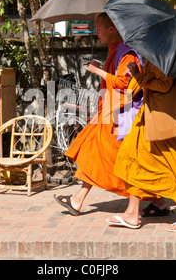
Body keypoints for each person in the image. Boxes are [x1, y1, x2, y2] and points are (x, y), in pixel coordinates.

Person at [53, 13, 143, 215]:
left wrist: (98, 72)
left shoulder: (127, 52)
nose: (96, 32)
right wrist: (103, 68)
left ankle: (78, 199)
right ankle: (77, 199)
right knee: (100, 154)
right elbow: (117, 77)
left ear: (111, 29)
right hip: (110, 111)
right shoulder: (116, 50)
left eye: (98, 28)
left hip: (120, 114)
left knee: (115, 159)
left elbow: (124, 83)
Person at [106, 60, 176, 232]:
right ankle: (131, 213)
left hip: (166, 121)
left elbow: (164, 85)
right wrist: (137, 75)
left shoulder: (167, 57)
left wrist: (138, 75)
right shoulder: (156, 54)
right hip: (149, 115)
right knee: (132, 155)